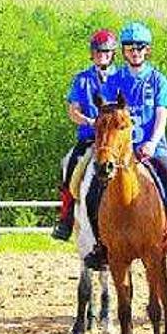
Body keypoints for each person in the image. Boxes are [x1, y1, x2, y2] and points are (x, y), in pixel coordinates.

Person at [82, 21, 167, 270]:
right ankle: (101, 244)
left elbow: (161, 115)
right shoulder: (114, 80)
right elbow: (106, 113)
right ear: (123, 51)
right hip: (119, 154)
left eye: (140, 47)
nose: (135, 52)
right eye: (130, 48)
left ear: (147, 50)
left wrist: (152, 142)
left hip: (152, 150)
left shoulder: (158, 80)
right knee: (93, 192)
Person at [51, 29, 119, 241]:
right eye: (98, 52)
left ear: (112, 54)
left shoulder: (121, 78)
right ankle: (66, 218)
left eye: (106, 52)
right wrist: (90, 121)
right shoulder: (81, 79)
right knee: (69, 165)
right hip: (90, 138)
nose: (102, 56)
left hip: (115, 140)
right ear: (93, 54)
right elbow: (73, 111)